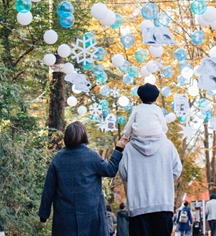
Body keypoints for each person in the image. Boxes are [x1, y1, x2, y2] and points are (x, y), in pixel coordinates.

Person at [39, 121, 128, 236]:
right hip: (92, 214)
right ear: (84, 135)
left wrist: (44, 215)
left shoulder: (58, 158)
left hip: (65, 216)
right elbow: (110, 170)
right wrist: (118, 150)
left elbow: (48, 189)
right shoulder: (91, 156)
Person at [119, 84, 182, 236]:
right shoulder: (167, 146)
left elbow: (124, 174)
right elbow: (177, 170)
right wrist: (163, 177)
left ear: (139, 97)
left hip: (138, 207)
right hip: (163, 204)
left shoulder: (129, 149)